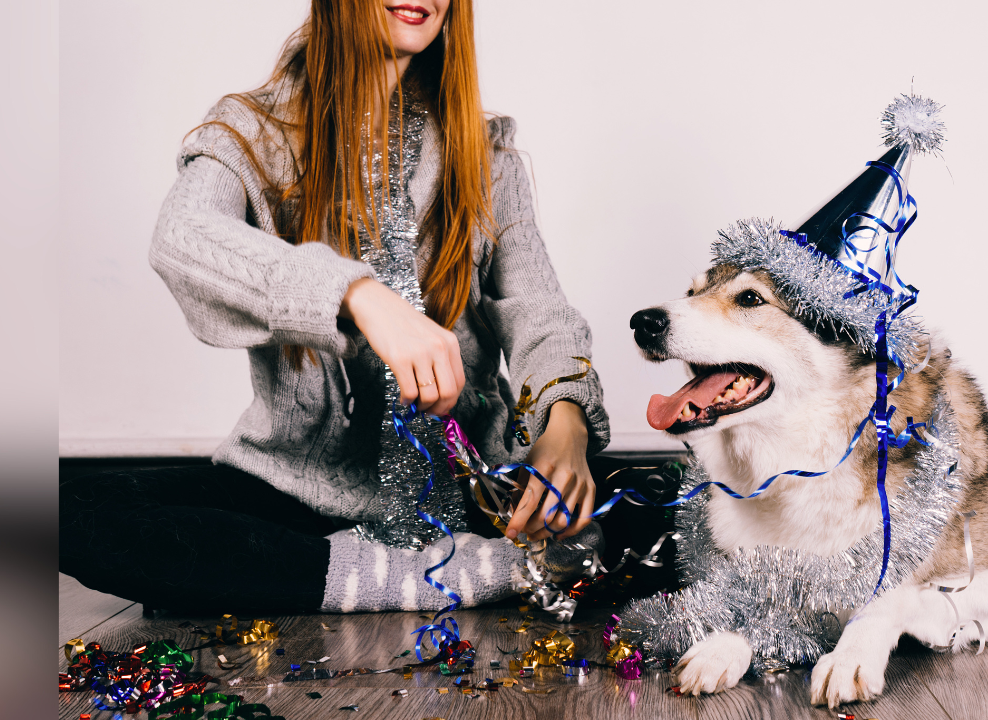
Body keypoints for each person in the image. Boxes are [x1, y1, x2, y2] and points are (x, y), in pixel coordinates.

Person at [59, 0, 675, 616]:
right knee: (70, 513)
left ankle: (338, 573)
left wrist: (563, 426)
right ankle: (430, 579)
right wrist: (358, 296)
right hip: (298, 491)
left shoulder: (487, 155)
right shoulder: (251, 131)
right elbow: (182, 237)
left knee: (667, 502)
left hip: (477, 489)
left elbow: (540, 311)